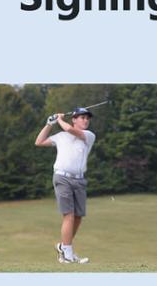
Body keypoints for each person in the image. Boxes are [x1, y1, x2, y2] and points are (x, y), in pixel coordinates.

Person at [35, 107, 97, 264]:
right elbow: (39, 142)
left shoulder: (89, 135)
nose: (86, 120)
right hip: (62, 178)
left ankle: (64, 247)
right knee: (68, 216)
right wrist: (49, 124)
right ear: (74, 119)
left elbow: (70, 129)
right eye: (82, 117)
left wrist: (59, 120)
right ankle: (67, 254)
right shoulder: (61, 136)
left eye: (87, 118)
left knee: (78, 217)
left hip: (79, 180)